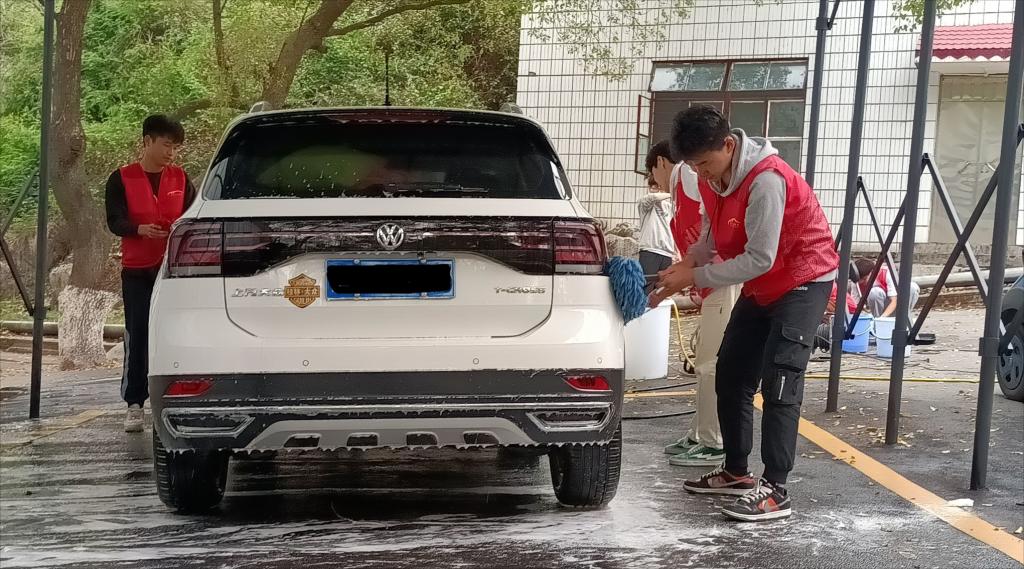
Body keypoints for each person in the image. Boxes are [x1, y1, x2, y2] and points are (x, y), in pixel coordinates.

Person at [650, 106, 839, 522]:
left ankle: (775, 489)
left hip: (803, 279)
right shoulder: (712, 178)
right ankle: (736, 471)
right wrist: (683, 267)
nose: (699, 173)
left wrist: (696, 275)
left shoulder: (766, 180)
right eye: (692, 165)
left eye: (704, 163)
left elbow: (759, 257)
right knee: (731, 372)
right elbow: (710, 238)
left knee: (780, 380)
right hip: (763, 284)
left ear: (728, 145)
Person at [647, 140, 737, 468]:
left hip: (724, 278)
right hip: (711, 282)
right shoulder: (681, 190)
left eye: (652, 174)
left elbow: (712, 230)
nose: (654, 184)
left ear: (662, 162)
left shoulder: (687, 173)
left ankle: (714, 442)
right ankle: (700, 434)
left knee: (711, 365)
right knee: (704, 363)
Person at [105, 115, 196, 433]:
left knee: (177, 332)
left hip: (173, 271)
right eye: (166, 145)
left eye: (175, 147)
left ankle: (179, 401)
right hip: (137, 271)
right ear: (147, 142)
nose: (171, 153)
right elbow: (114, 221)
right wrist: (139, 229)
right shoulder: (121, 178)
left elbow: (192, 218)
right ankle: (134, 403)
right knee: (138, 333)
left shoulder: (181, 178)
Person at [637, 142, 677, 291]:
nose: (657, 189)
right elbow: (652, 198)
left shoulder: (672, 204)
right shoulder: (645, 203)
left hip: (667, 251)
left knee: (662, 288)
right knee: (645, 287)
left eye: (658, 186)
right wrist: (671, 192)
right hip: (650, 249)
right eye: (654, 187)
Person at [854, 258, 920, 320]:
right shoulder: (855, 281)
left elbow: (894, 301)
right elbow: (855, 305)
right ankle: (876, 320)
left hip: (895, 303)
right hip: (877, 309)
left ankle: (903, 318)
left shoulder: (886, 272)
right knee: (875, 292)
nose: (861, 282)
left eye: (864, 279)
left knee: (912, 287)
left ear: (872, 272)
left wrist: (882, 318)